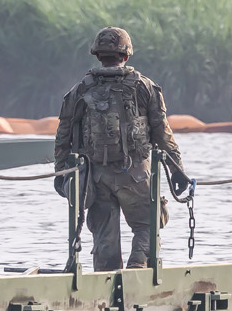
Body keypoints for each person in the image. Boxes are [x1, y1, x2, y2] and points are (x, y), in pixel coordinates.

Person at [54, 27, 190, 271]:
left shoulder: (80, 90)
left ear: (97, 55)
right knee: (148, 226)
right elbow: (162, 134)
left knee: (105, 239)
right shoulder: (145, 87)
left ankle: (106, 290)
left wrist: (60, 173)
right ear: (126, 55)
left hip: (95, 178)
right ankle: (138, 270)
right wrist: (177, 169)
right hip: (136, 174)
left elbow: (63, 135)